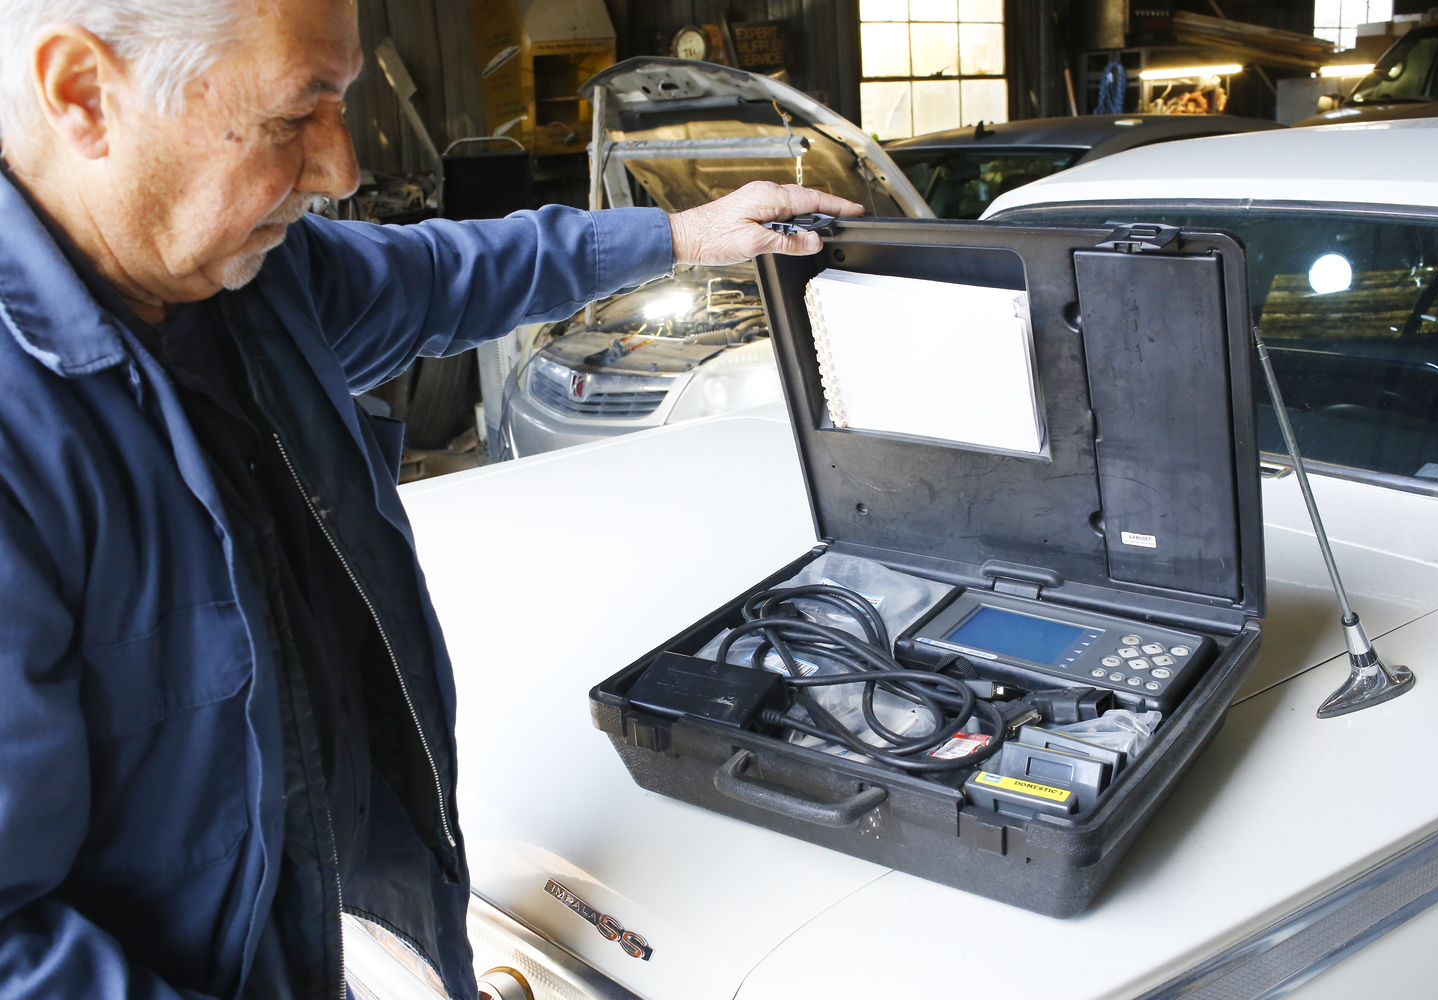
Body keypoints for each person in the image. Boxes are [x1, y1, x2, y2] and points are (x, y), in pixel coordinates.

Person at [0, 1, 861, 998]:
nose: (341, 170)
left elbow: (447, 274)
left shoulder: (247, 287)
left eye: (341, 104)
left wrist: (680, 234)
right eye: (293, 118)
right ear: (82, 94)